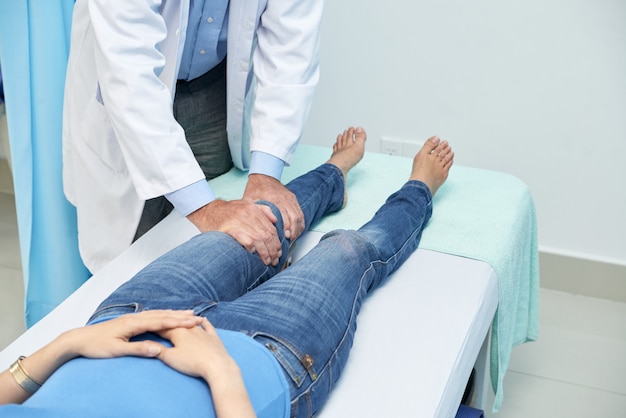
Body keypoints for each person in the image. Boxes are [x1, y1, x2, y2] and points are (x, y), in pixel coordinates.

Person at [1, 128, 454, 417]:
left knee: (258, 220)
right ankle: (419, 189)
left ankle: (333, 175)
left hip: (127, 323)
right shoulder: (229, 367)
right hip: (256, 357)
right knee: (348, 250)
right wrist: (219, 369)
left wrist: (70, 343)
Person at [62, 0, 325, 273]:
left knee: (219, 248)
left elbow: (291, 48)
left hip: (210, 84)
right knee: (130, 254)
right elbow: (130, 79)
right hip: (128, 83)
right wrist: (207, 209)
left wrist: (266, 175)